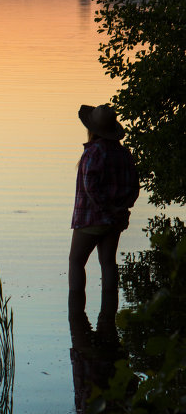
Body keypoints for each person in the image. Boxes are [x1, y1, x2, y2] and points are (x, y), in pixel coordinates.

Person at [69, 104, 139, 298]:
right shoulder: (124, 154)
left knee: (76, 262)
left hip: (91, 218)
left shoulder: (93, 152)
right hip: (115, 220)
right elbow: (134, 187)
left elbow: (90, 186)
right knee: (108, 262)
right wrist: (121, 208)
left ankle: (76, 312)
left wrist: (107, 208)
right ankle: (108, 314)